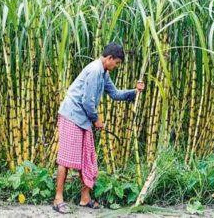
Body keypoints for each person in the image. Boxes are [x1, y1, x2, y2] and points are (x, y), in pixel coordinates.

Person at [52, 42, 145, 214]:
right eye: (116, 63)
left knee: (86, 156)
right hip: (72, 115)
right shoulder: (95, 70)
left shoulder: (103, 73)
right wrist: (96, 119)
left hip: (83, 118)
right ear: (109, 58)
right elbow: (87, 101)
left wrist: (135, 92)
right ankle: (58, 199)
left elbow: (115, 94)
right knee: (66, 158)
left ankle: (85, 198)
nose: (116, 66)